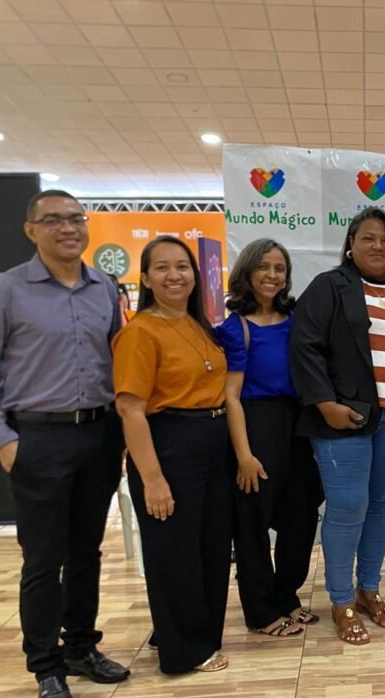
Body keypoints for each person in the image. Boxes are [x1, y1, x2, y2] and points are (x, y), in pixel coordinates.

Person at [0, 190, 129, 698]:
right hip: (37, 438)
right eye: (53, 220)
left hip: (99, 435)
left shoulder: (104, 288)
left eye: (76, 218)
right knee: (42, 560)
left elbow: (119, 357)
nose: (67, 228)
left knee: (86, 552)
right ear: (31, 230)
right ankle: (46, 668)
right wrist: (1, 439)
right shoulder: (4, 290)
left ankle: (80, 647)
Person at [290, 207, 385, 645]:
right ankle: (341, 599)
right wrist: (324, 403)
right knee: (348, 505)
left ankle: (369, 588)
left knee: (380, 505)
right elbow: (304, 346)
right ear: (351, 244)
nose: (378, 246)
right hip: (342, 418)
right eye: (368, 238)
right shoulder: (329, 286)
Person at [112, 235, 234, 674]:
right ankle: (185, 651)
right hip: (170, 444)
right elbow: (130, 410)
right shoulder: (140, 332)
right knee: (175, 550)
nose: (174, 275)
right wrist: (152, 478)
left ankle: (186, 633)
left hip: (212, 441)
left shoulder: (198, 324)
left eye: (182, 266)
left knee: (210, 547)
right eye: (161, 268)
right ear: (145, 279)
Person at [215, 239, 323, 638]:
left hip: (296, 425)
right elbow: (231, 397)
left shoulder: (296, 319)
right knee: (253, 523)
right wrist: (244, 455)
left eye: (280, 268)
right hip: (255, 425)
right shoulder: (235, 329)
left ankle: (286, 594)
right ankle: (260, 611)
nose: (272, 275)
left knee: (301, 514)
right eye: (263, 266)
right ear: (247, 272)